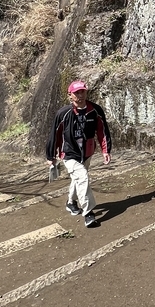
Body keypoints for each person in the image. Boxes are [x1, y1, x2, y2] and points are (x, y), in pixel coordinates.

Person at [46, 80, 111, 228]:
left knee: (78, 179)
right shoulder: (63, 113)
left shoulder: (95, 110)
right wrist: (51, 156)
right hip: (69, 153)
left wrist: (105, 150)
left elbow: (102, 131)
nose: (80, 95)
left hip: (87, 152)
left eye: (82, 91)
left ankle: (71, 202)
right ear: (70, 95)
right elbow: (54, 135)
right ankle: (88, 213)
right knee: (83, 178)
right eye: (77, 93)